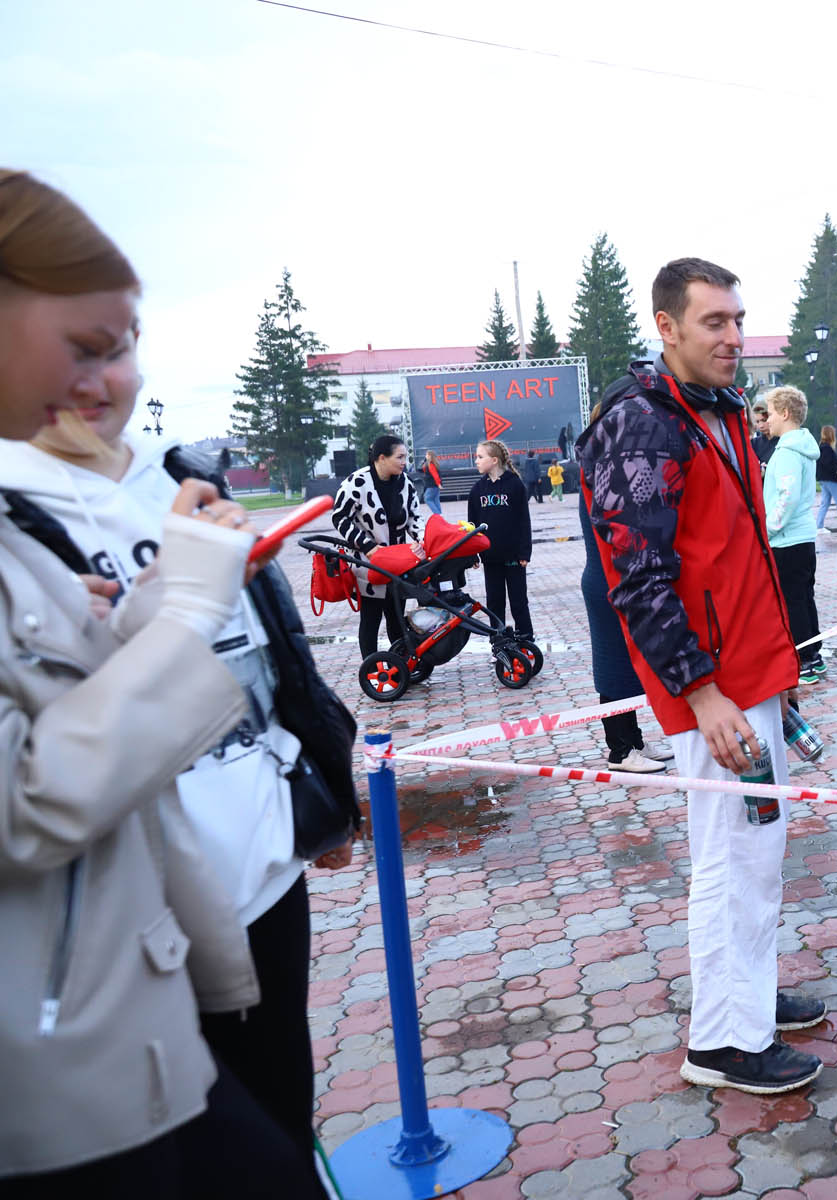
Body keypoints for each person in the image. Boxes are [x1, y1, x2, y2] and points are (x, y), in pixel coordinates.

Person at [0, 168, 320, 1197]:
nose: (111, 383)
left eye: (125, 345)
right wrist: (178, 610)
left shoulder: (106, 487)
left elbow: (89, 701)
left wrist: (154, 610)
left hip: (154, 981)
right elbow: (28, 804)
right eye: (84, 349)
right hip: (59, 1060)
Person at [577, 256, 821, 1095]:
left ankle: (746, 998)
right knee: (730, 856)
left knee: (758, 850)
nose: (732, 336)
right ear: (668, 327)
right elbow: (635, 579)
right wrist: (704, 693)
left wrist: (774, 674)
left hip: (750, 675)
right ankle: (722, 1041)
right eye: (713, 322)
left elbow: (739, 554)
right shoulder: (643, 423)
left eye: (738, 319)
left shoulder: (714, 410)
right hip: (713, 692)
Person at [577, 408, 672, 776]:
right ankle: (618, 749)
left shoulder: (610, 462)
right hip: (607, 580)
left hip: (616, 578)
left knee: (630, 664)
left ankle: (633, 738)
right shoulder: (605, 466)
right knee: (614, 665)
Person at [332, 433, 425, 658]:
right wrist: (367, 546)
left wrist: (423, 540)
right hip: (367, 564)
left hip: (398, 564)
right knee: (370, 619)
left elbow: (414, 518)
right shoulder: (357, 482)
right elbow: (339, 518)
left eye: (405, 457)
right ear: (381, 458)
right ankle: (372, 668)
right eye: (400, 457)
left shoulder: (406, 483)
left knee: (397, 619)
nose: (405, 462)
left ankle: (404, 665)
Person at [762, 386, 824, 684]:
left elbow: (786, 496)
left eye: (771, 413)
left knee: (792, 601)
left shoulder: (787, 451)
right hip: (802, 537)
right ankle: (815, 653)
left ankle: (804, 660)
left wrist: (767, 527)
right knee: (803, 596)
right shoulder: (802, 447)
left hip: (786, 539)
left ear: (785, 414)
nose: (767, 419)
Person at [467, 439, 533, 639]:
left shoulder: (515, 485)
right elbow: (472, 526)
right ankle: (499, 641)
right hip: (490, 558)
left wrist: (524, 552)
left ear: (494, 460)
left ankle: (526, 639)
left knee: (518, 601)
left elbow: (524, 521)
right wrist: (472, 555)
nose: (476, 461)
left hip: (514, 557)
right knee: (495, 603)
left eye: (480, 457)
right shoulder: (477, 490)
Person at [749, 399, 776, 464]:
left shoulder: (783, 441)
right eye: (757, 422)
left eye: (764, 420)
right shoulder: (754, 443)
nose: (761, 426)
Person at [421, 449, 443, 514]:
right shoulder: (433, 463)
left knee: (427, 499)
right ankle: (439, 515)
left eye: (427, 455)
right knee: (436, 500)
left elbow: (435, 475)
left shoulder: (431, 464)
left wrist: (438, 484)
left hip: (432, 485)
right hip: (434, 485)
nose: (425, 456)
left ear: (430, 456)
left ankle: (437, 514)